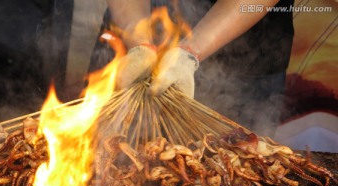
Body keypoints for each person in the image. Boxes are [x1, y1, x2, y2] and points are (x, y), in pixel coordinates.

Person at [104, 0, 294, 135]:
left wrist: (188, 53)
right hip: (129, 37)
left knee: (232, 164)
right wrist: (140, 44)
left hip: (244, 60)